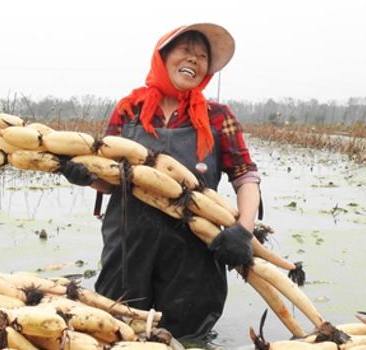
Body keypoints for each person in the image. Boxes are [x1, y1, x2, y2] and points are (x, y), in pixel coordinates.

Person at [60, 23, 261, 342]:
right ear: (163, 56)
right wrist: (86, 177)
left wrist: (243, 230)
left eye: (202, 56)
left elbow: (245, 177)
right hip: (128, 248)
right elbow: (109, 181)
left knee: (189, 340)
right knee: (116, 333)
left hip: (194, 256)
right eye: (186, 50)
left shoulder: (217, 116)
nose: (194, 59)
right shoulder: (130, 111)